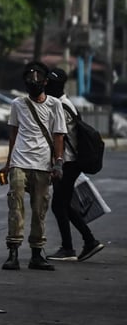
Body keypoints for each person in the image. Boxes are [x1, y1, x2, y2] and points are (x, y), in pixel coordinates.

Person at [0, 61, 66, 272]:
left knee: (39, 210)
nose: (34, 82)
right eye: (30, 78)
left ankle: (37, 253)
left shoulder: (55, 105)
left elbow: (58, 136)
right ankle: (13, 252)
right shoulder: (18, 104)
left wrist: (59, 163)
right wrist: (8, 164)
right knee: (15, 207)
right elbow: (13, 135)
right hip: (20, 161)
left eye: (38, 78)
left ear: (46, 81)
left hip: (43, 164)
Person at [45, 68, 105, 262]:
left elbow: (59, 136)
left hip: (68, 162)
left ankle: (73, 246)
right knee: (63, 205)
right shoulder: (65, 102)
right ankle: (86, 242)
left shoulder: (60, 106)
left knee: (59, 205)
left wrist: (57, 163)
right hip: (70, 161)